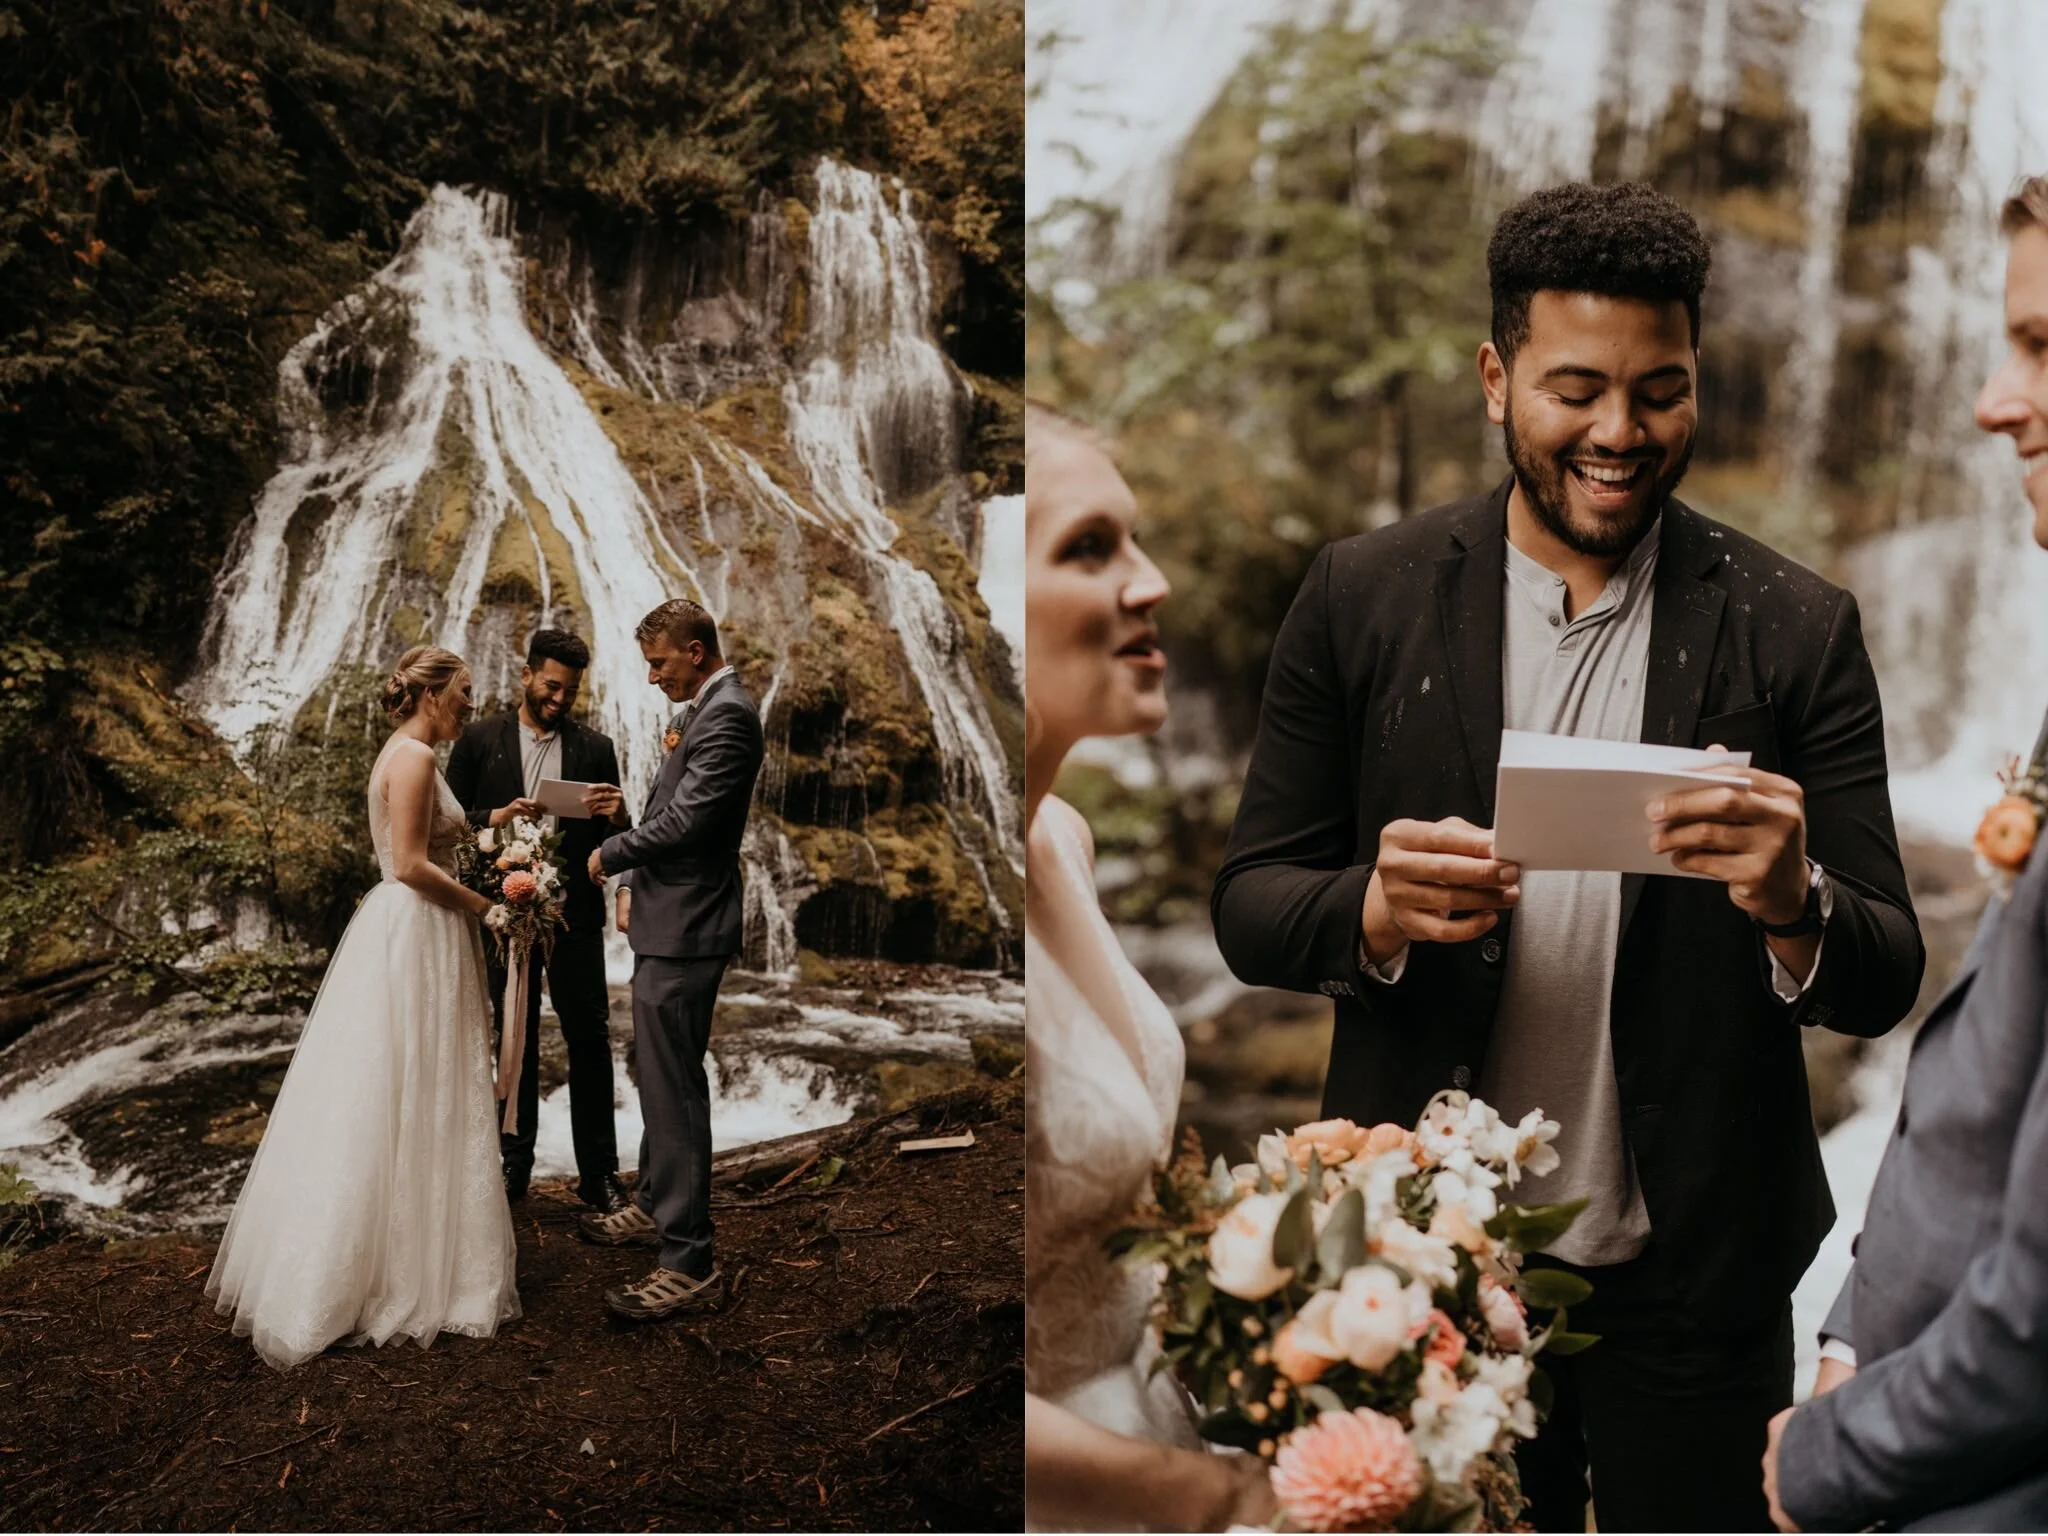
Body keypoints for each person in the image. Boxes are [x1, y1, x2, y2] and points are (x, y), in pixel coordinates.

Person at [1210, 183, 1925, 1531]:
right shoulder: (1361, 599)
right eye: (1577, 389)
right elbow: (1251, 902)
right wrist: (1369, 906)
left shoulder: (1796, 627)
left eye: (1661, 392)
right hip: (1419, 1266)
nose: (1620, 434)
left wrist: (1795, 901)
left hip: (1699, 1268)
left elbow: (1885, 972)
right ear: (1496, 379)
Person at [1764, 174, 2048, 1534]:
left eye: (2044, 348)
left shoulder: (1794, 629)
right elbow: (1976, 1088)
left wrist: (1834, 1454)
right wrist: (1848, 1335)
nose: (1994, 401)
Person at [1023, 403, 1275, 1532]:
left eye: (1134, 539)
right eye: (1089, 547)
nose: (1151, 580)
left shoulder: (1059, 841)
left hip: (1151, 1424)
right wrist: (1205, 1494)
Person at [207, 645, 521, 1369]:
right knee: (404, 1082)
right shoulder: (412, 759)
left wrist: (499, 819)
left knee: (407, 1081)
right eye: (466, 691)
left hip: (412, 927)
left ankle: (405, 1253)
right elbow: (410, 864)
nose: (473, 705)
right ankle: (383, 1272)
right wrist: (487, 909)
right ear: (432, 693)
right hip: (415, 924)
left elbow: (434, 839)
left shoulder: (410, 753)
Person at [574, 598, 762, 1322]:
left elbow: (691, 821)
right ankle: (654, 1204)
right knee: (660, 1074)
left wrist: (611, 854)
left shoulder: (730, 714)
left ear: (694, 649)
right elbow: (673, 812)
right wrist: (629, 830)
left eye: (658, 663)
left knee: (675, 1088)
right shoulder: (709, 710)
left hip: (689, 924)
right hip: (670, 917)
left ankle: (687, 1259)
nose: (651, 678)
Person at [444, 627, 632, 1212]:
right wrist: (496, 822)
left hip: (573, 914)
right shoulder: (477, 740)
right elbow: (449, 827)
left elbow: (618, 835)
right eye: (552, 685)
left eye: (570, 691)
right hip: (504, 914)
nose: (559, 698)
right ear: (525, 675)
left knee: (590, 1037)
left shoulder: (596, 747)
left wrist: (618, 812)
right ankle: (512, 1163)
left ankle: (598, 1172)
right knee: (515, 1037)